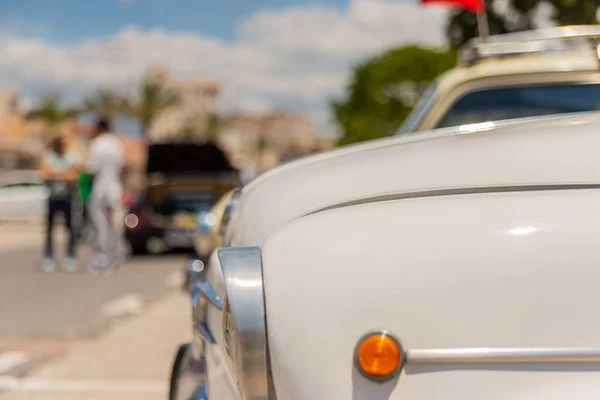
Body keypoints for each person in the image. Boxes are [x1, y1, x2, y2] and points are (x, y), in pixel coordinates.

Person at [85, 117, 125, 275]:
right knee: (113, 226)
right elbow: (122, 167)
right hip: (115, 189)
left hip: (100, 190)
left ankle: (101, 259)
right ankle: (115, 258)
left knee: (100, 225)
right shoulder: (117, 144)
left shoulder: (97, 144)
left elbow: (92, 169)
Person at [40, 135, 79, 273]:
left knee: (70, 229)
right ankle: (48, 258)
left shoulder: (71, 156)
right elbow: (45, 174)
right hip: (53, 197)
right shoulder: (49, 156)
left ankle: (70, 257)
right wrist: (63, 174)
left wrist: (56, 174)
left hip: (67, 198)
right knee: (50, 229)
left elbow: (73, 175)